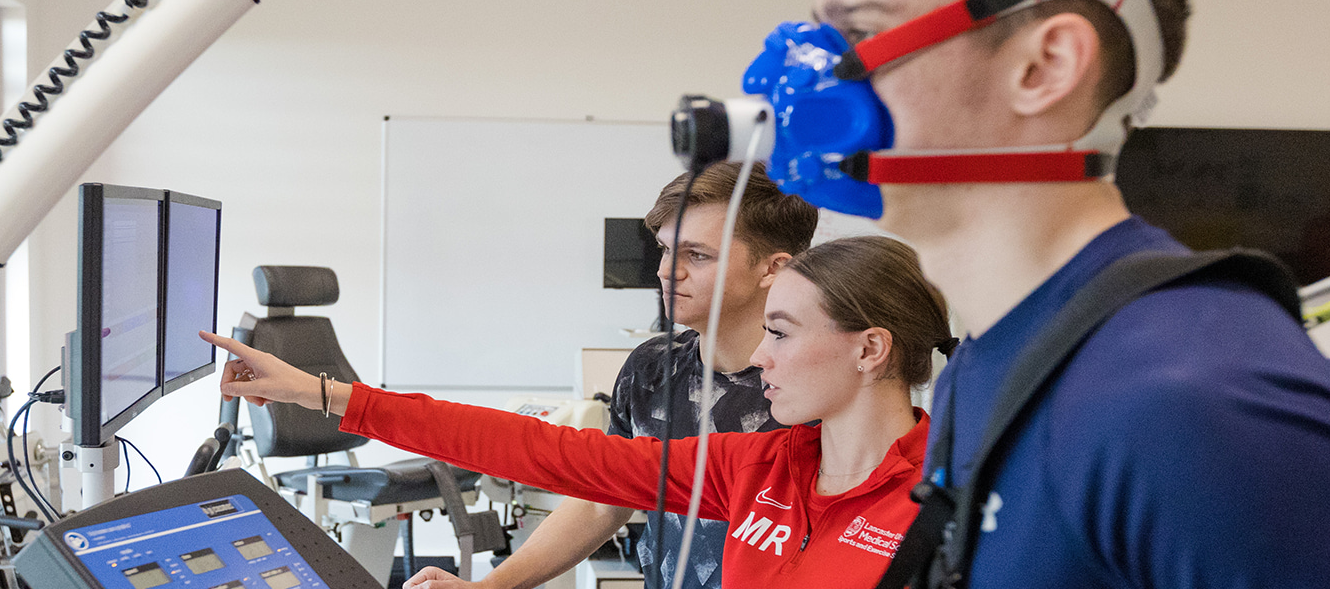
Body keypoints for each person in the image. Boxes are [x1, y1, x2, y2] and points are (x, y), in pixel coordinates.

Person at [803, 0, 1330, 586]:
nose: (806, 69)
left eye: (857, 29)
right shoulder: (984, 360)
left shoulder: (1196, 399)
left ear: (1046, 65)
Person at [201, 235, 957, 589]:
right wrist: (325, 395)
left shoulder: (950, 509)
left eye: (782, 335)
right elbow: (545, 453)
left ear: (870, 350)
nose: (758, 357)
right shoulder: (753, 465)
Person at [419, 162, 816, 589]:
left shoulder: (817, 388)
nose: (667, 271)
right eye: (665, 249)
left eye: (696, 255)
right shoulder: (651, 369)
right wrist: (489, 587)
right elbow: (601, 503)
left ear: (773, 268)